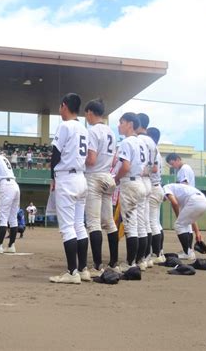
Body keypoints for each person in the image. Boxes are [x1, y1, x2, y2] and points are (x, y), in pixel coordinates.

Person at [48, 93, 89, 284]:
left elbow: (55, 154)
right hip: (81, 177)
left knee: (67, 228)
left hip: (66, 178)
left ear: (64, 106)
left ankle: (72, 273)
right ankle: (83, 269)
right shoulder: (83, 128)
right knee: (79, 225)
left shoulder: (65, 125)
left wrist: (52, 177)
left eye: (60, 106)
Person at [84, 98, 119, 277]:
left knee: (93, 223)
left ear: (90, 112)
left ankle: (97, 265)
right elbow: (114, 160)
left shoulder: (92, 131)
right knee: (109, 222)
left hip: (94, 177)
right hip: (108, 176)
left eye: (86, 114)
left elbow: (90, 159)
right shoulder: (111, 131)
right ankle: (114, 262)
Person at [113, 112, 146, 272]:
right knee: (140, 225)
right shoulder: (142, 143)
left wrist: (117, 178)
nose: (119, 125)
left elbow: (125, 167)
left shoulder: (127, 142)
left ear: (130, 124)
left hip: (130, 183)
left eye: (122, 122)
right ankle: (140, 261)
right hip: (140, 182)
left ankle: (130, 263)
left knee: (131, 226)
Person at [162, 183, 206, 260]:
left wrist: (178, 217)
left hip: (195, 200)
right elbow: (191, 219)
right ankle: (190, 252)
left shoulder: (165, 188)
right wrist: (197, 232)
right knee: (186, 224)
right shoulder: (180, 193)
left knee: (179, 225)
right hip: (204, 202)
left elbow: (174, 203)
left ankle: (187, 253)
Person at [135, 112, 157, 271]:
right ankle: (147, 257)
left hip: (139, 180)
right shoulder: (151, 141)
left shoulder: (138, 139)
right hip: (149, 181)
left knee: (138, 223)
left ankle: (139, 259)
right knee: (147, 222)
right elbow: (155, 167)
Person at [166, 153, 198, 253]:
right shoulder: (184, 169)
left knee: (181, 225)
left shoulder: (184, 168)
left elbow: (184, 184)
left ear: (178, 159)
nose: (173, 166)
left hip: (187, 198)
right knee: (187, 225)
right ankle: (189, 250)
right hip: (189, 199)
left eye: (173, 163)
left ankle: (187, 251)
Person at [147, 127, 166, 263]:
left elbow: (153, 168)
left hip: (153, 187)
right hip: (157, 187)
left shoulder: (152, 148)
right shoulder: (156, 150)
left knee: (152, 223)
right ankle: (159, 252)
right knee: (156, 223)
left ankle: (156, 253)